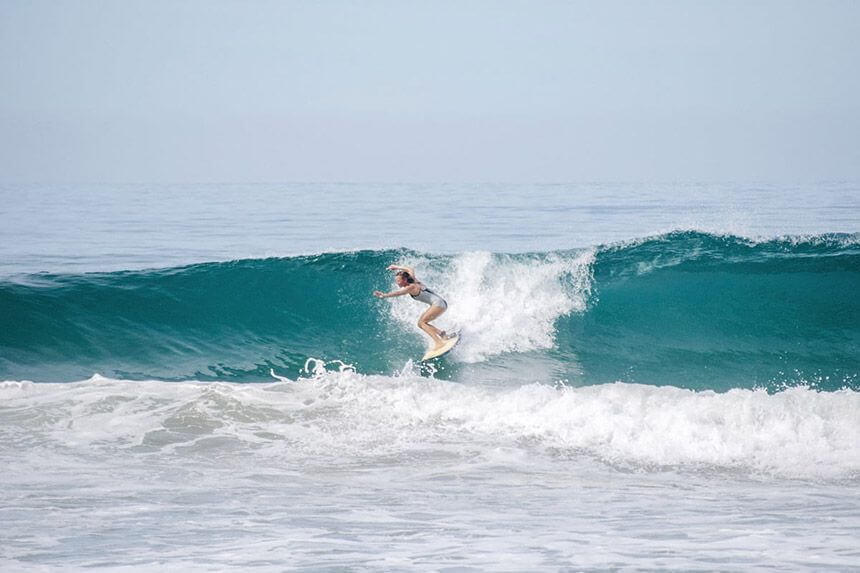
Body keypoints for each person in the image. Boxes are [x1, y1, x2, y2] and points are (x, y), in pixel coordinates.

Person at [374, 264, 452, 350]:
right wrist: (396, 267)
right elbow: (409, 268)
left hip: (438, 304)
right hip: (439, 303)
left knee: (423, 323)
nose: (397, 283)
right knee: (420, 324)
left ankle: (439, 343)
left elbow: (398, 293)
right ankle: (443, 335)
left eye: (398, 281)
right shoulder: (413, 279)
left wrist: (384, 295)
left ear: (404, 280)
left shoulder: (411, 287)